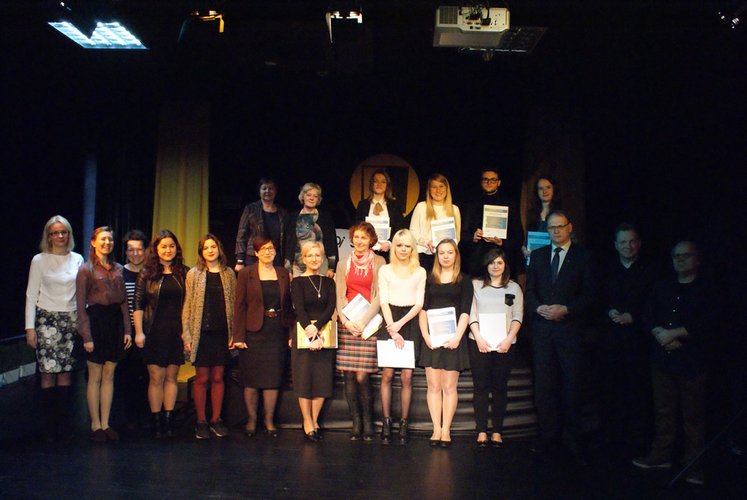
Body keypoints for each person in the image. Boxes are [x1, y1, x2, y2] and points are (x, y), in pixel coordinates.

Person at [633, 240, 714, 486]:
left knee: (693, 417)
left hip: (691, 362)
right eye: (676, 256)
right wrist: (660, 333)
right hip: (662, 359)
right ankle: (661, 456)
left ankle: (694, 465)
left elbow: (711, 322)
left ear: (697, 258)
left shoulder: (707, 289)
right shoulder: (663, 286)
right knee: (663, 412)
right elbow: (648, 314)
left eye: (685, 255)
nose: (680, 260)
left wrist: (678, 334)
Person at [524, 210, 595, 460]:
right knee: (544, 387)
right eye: (552, 227)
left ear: (569, 227)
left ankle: (571, 437)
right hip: (543, 333)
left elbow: (591, 295)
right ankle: (548, 436)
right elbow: (529, 292)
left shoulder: (584, 256)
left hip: (570, 332)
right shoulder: (538, 256)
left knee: (571, 385)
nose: (555, 231)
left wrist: (567, 309)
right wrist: (538, 308)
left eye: (560, 226)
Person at [599, 224, 657, 456]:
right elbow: (599, 299)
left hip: (639, 342)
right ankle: (612, 439)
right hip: (611, 342)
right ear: (615, 245)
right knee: (611, 392)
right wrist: (609, 311)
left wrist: (634, 317)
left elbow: (656, 304)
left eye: (632, 241)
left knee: (638, 393)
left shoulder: (651, 271)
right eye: (623, 242)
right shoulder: (607, 270)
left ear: (639, 243)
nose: (628, 246)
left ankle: (638, 443)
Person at [25, 215, 84, 440]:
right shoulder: (39, 260)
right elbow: (31, 295)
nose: (60, 236)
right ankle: (50, 425)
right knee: (48, 373)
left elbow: (82, 293)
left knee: (66, 372)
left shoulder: (77, 259)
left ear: (69, 234)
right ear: (48, 236)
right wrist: (30, 328)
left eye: (63, 232)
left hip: (70, 320)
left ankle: (63, 424)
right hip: (46, 321)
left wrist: (83, 322)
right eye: (55, 233)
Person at [233, 236, 294, 437]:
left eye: (271, 248)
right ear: (256, 252)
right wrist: (238, 336)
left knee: (272, 378)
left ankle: (269, 421)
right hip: (253, 332)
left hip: (277, 331)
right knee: (251, 379)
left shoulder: (283, 273)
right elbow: (239, 306)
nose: (268, 252)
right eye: (264, 249)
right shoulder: (246, 273)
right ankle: (251, 420)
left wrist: (291, 334)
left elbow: (289, 307)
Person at [76, 226, 132, 442]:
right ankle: (95, 424)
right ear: (93, 242)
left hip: (115, 322)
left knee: (109, 375)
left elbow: (124, 302)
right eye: (103, 239)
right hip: (96, 322)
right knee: (95, 376)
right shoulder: (86, 269)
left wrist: (127, 329)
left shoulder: (119, 268)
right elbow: (81, 305)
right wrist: (86, 335)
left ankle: (106, 423)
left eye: (110, 239)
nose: (107, 243)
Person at [133, 229, 188, 438]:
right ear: (156, 249)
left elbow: (189, 304)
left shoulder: (184, 272)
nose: (168, 250)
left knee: (172, 378)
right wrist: (139, 332)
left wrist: (187, 333)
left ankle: (168, 419)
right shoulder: (146, 273)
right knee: (156, 378)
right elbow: (138, 304)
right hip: (153, 332)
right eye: (163, 246)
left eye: (171, 246)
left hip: (176, 332)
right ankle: (156, 422)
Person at [418, 239, 473, 448]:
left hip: (453, 338)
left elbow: (466, 311)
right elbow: (422, 309)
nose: (446, 256)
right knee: (433, 386)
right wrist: (426, 336)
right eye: (441, 252)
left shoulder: (464, 280)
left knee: (449, 386)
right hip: (432, 338)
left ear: (456, 255)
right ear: (437, 255)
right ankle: (436, 429)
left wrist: (458, 337)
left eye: (450, 252)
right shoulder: (429, 279)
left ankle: (446, 430)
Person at [335, 222, 386, 441]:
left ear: (371, 240)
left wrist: (364, 321)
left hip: (369, 323)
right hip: (348, 324)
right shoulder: (343, 263)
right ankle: (356, 423)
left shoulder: (380, 262)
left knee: (362, 375)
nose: (359, 241)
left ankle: (368, 422)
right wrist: (347, 322)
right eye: (356, 237)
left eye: (364, 237)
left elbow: (380, 296)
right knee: (348, 374)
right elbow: (339, 295)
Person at [182, 234, 236, 440]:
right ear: (201, 252)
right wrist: (187, 334)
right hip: (201, 334)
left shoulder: (229, 273)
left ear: (219, 249)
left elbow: (234, 305)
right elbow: (187, 305)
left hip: (222, 334)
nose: (210, 251)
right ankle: (201, 421)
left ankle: (216, 419)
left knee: (218, 377)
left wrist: (234, 333)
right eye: (206, 248)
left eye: (213, 247)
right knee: (202, 378)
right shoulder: (194, 274)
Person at [468, 248, 523, 447]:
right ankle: (482, 430)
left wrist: (509, 339)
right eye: (492, 262)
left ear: (505, 265)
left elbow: (518, 315)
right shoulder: (475, 285)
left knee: (500, 387)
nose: (495, 266)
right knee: (481, 387)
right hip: (479, 343)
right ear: (486, 265)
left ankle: (497, 431)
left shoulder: (514, 287)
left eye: (499, 262)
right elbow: (471, 314)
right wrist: (479, 338)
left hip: (505, 345)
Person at [377, 229, 426, 445]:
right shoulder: (385, 270)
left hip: (409, 321)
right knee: (387, 375)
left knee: (407, 377)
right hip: (390, 320)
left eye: (407, 246)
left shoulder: (420, 271)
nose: (403, 249)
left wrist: (400, 325)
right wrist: (392, 328)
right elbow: (383, 301)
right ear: (394, 247)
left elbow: (419, 303)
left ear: (412, 248)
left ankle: (404, 423)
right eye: (399, 245)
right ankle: (386, 421)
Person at [290, 241, 337, 443]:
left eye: (317, 255)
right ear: (303, 258)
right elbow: (299, 309)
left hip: (324, 332)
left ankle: (314, 419)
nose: (314, 259)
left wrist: (317, 328)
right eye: (310, 255)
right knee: (304, 379)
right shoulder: (297, 282)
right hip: (303, 333)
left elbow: (330, 307)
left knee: (321, 380)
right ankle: (307, 420)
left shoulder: (329, 282)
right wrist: (310, 333)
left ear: (323, 258)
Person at [464, 168, 525, 279]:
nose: (489, 182)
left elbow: (519, 237)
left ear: (499, 182)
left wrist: (502, 242)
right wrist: (473, 237)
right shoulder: (472, 203)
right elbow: (463, 234)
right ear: (481, 182)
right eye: (485, 179)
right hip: (478, 262)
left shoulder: (509, 204)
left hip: (502, 260)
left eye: (492, 180)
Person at [119, 229, 149, 431]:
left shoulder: (152, 272)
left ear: (145, 250)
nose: (135, 253)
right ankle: (129, 418)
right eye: (131, 249)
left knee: (147, 376)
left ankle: (146, 417)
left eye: (139, 249)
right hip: (126, 333)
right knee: (127, 376)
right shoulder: (119, 273)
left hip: (149, 332)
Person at [284, 182, 338, 278]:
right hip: (298, 267)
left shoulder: (325, 217)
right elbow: (288, 244)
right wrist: (287, 268)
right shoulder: (292, 217)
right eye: (308, 195)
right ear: (302, 196)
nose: (311, 198)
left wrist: (331, 267)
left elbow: (331, 243)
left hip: (320, 265)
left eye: (315, 196)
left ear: (318, 199)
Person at [409, 173, 461, 271]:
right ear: (429, 189)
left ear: (447, 189)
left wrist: (446, 250)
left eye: (441, 186)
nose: (438, 190)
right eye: (434, 187)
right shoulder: (421, 207)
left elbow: (457, 237)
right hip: (423, 255)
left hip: (445, 257)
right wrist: (427, 242)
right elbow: (413, 232)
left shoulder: (454, 209)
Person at [235, 177, 287, 271]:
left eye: (270, 188)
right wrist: (240, 260)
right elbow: (242, 234)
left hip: (275, 257)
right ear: (259, 192)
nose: (267, 191)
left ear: (275, 191)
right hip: (253, 256)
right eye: (264, 188)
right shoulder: (251, 209)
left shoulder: (282, 212)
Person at [355, 169, 406, 258]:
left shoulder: (394, 206)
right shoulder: (363, 205)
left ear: (387, 185)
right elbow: (357, 227)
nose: (379, 184)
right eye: (376, 181)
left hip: (388, 254)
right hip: (366, 252)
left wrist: (389, 243)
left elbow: (400, 228)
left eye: (383, 182)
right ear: (371, 184)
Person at [522, 174, 562, 259]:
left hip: (552, 259)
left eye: (548, 187)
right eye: (541, 188)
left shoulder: (560, 214)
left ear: (554, 189)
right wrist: (524, 249)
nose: (544, 191)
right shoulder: (532, 213)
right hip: (533, 259)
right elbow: (528, 239)